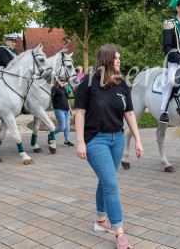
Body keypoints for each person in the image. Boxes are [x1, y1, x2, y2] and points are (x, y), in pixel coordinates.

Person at [75, 44, 143, 249]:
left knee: (106, 181)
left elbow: (129, 113)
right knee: (111, 185)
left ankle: (100, 220)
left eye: (119, 58)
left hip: (117, 140)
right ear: (105, 59)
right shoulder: (88, 83)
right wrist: (80, 142)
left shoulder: (121, 83)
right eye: (116, 58)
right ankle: (120, 233)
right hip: (96, 140)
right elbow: (79, 112)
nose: (119, 61)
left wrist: (138, 140)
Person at [51, 78, 74, 147]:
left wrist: (70, 109)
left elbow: (66, 99)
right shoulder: (54, 89)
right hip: (59, 109)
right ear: (58, 81)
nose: (64, 82)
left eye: (64, 80)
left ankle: (66, 141)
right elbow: (51, 97)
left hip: (66, 109)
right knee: (62, 126)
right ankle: (51, 134)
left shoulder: (64, 89)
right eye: (62, 80)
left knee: (67, 126)